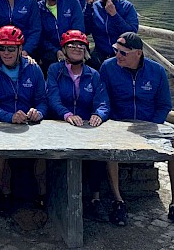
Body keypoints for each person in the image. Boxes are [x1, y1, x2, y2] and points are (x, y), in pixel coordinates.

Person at [99, 32, 174, 231]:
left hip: (149, 124)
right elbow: (103, 100)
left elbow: (163, 105)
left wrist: (151, 127)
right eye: (116, 51)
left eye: (123, 53)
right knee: (109, 144)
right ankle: (118, 200)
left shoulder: (157, 71)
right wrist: (115, 124)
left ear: (138, 54)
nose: (118, 56)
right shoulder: (108, 68)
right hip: (118, 123)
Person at [0, 25, 48, 214]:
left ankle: (42, 195)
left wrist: (38, 113)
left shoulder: (34, 69)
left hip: (28, 123)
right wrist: (10, 117)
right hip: (1, 123)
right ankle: (5, 194)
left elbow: (42, 101)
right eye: (2, 48)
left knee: (42, 154)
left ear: (20, 49)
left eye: (11, 48)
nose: (6, 53)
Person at [45, 31, 110, 218]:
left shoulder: (93, 74)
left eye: (81, 45)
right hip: (60, 124)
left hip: (86, 125)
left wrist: (99, 114)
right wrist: (66, 114)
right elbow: (53, 98)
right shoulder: (54, 70)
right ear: (64, 49)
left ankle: (95, 199)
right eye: (72, 45)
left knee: (97, 156)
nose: (77, 48)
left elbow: (103, 101)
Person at [83, 0, 140, 67]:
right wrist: (88, 7)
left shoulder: (126, 7)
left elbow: (132, 33)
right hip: (99, 56)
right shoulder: (95, 6)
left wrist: (114, 15)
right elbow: (86, 30)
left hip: (123, 57)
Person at [37, 0, 85, 71]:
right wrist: (56, 51)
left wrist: (67, 50)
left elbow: (78, 29)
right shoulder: (38, 8)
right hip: (50, 54)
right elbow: (40, 35)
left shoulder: (72, 2)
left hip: (74, 48)